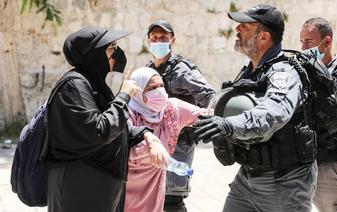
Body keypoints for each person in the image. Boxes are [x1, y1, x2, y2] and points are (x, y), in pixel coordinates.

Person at [193, 5, 318, 212]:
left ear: (263, 37)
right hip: (248, 178)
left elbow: (275, 112)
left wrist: (228, 125)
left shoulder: (283, 72)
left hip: (285, 183)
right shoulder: (250, 70)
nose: (237, 30)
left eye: (245, 26)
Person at [46, 27, 167, 212]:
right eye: (111, 47)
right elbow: (100, 130)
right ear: (94, 54)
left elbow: (115, 126)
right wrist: (124, 95)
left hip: (99, 181)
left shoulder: (94, 85)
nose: (117, 52)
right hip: (80, 184)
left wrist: (146, 134)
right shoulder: (74, 85)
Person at [145, 20, 216, 211]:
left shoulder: (182, 69)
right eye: (154, 37)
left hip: (178, 145)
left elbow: (210, 97)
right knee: (154, 198)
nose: (158, 41)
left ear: (172, 40)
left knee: (171, 201)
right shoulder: (149, 69)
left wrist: (201, 124)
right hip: (153, 145)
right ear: (148, 41)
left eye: (163, 37)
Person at [124, 67, 207, 212]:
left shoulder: (172, 109)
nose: (159, 91)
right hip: (126, 186)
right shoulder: (128, 112)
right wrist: (150, 146)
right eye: (152, 88)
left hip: (154, 189)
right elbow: (123, 145)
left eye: (161, 86)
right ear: (138, 91)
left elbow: (205, 115)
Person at [300, 17, 337, 212]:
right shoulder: (309, 74)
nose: (303, 48)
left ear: (326, 42)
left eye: (308, 42)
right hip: (312, 163)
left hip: (334, 167)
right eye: (301, 41)